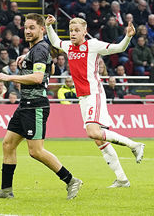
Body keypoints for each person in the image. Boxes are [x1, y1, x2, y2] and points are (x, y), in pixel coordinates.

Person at [0, 13, 82, 200]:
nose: (28, 31)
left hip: (36, 106)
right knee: (8, 144)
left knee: (36, 151)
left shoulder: (39, 49)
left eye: (32, 27)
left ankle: (71, 180)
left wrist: (9, 76)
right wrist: (28, 56)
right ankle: (6, 190)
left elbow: (38, 78)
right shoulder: (37, 49)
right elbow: (51, 69)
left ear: (41, 29)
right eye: (26, 27)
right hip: (25, 104)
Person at [46, 14, 145, 188]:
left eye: (77, 30)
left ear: (85, 32)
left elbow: (118, 48)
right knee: (99, 139)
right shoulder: (69, 46)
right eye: (71, 30)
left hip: (94, 94)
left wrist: (128, 37)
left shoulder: (92, 45)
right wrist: (48, 26)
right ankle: (122, 179)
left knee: (93, 132)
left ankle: (134, 145)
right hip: (82, 97)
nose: (73, 34)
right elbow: (55, 42)